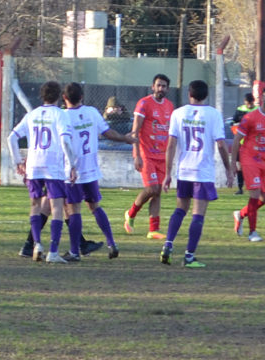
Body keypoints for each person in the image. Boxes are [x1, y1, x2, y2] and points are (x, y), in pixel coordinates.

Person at [159, 80, 233, 268]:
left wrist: (168, 173)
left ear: (189, 94)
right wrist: (228, 168)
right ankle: (189, 256)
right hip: (202, 171)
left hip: (184, 170)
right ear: (206, 95)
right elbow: (221, 144)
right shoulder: (213, 114)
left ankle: (168, 244)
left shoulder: (178, 113)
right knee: (197, 214)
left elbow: (171, 145)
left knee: (180, 209)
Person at [60, 82, 136, 261]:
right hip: (91, 169)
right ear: (82, 97)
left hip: (73, 170)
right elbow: (108, 133)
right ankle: (111, 243)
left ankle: (74, 252)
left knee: (73, 210)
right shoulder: (92, 112)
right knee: (95, 207)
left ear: (64, 98)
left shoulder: (62, 117)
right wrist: (125, 138)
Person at [8, 81, 77, 263]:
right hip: (53, 165)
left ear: (42, 95)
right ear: (58, 96)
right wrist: (71, 165)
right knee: (56, 208)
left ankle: (37, 244)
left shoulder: (32, 114)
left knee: (35, 205)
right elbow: (65, 142)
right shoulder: (60, 115)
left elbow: (12, 138)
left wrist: (17, 161)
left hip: (34, 165)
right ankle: (53, 252)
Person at [124, 74, 174, 240]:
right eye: (158, 85)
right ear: (153, 87)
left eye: (164, 86)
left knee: (158, 192)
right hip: (146, 153)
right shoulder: (144, 103)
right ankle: (131, 214)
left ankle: (153, 229)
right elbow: (135, 130)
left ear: (167, 88)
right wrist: (136, 154)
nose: (161, 89)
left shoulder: (169, 106)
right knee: (152, 188)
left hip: (161, 154)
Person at [17, 195, 104, 258]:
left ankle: (81, 244)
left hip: (57, 175)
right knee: (51, 206)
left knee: (63, 206)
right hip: (56, 175)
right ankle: (29, 245)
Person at [231, 89, 265, 242]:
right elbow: (237, 140)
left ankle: (240, 214)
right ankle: (253, 233)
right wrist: (233, 163)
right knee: (255, 194)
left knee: (263, 198)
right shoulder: (251, 117)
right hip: (250, 159)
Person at [230, 93, 258, 195]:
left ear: (253, 102)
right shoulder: (240, 109)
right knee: (240, 165)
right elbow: (233, 123)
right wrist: (235, 126)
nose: (249, 105)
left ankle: (256, 185)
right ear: (245, 102)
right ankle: (240, 187)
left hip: (254, 143)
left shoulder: (258, 110)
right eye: (247, 103)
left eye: (251, 103)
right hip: (241, 142)